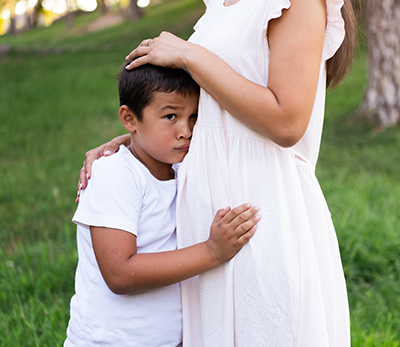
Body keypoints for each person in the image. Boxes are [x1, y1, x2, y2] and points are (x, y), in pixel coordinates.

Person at [78, 0, 359, 345]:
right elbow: (213, 106)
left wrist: (188, 55)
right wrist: (133, 140)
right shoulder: (222, 5)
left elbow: (288, 122)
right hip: (209, 234)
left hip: (256, 211)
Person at [65, 61, 261, 347]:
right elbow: (119, 273)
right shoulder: (114, 173)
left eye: (194, 116)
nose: (186, 130)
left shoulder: (183, 170)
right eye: (170, 116)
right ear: (129, 118)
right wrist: (212, 251)